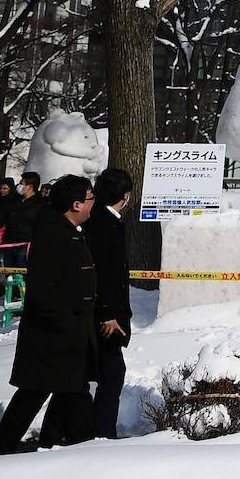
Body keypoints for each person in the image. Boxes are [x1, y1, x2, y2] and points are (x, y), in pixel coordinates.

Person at [0, 175, 98, 453]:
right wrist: (65, 321)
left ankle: (78, 449)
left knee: (72, 394)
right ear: (75, 204)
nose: (92, 204)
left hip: (68, 334)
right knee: (34, 393)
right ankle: (1, 451)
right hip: (52, 335)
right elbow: (44, 288)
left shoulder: (68, 231)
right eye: (90, 198)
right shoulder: (53, 234)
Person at [82, 168, 132, 439]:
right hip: (105, 316)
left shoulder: (97, 219)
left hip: (100, 312)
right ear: (124, 196)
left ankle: (95, 429)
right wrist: (109, 313)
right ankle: (102, 432)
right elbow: (108, 273)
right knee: (111, 373)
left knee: (101, 373)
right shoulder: (105, 223)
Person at [2, 171, 47, 271]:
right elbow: (2, 217)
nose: (19, 185)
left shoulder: (41, 204)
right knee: (9, 275)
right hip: (9, 242)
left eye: (21, 183)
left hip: (25, 246)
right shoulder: (14, 200)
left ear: (29, 187)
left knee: (22, 276)